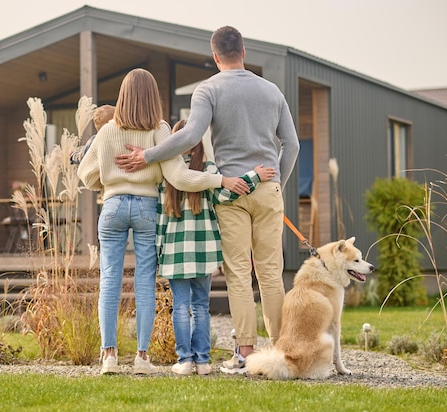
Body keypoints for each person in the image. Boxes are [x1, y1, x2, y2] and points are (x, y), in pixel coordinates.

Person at [115, 26, 300, 374]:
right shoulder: (272, 91)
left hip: (230, 192)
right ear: (244, 52)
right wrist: (277, 186)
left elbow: (189, 135)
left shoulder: (209, 89)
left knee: (239, 273)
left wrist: (149, 155)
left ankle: (245, 352)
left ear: (216, 56)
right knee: (272, 274)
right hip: (268, 187)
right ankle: (282, 350)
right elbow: (292, 145)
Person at [77, 68, 250, 375]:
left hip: (113, 206)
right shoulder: (159, 130)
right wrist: (220, 179)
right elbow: (180, 177)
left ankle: (109, 356)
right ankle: (142, 358)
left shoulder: (106, 132)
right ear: (153, 97)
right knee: (144, 283)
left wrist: (108, 180)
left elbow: (86, 175)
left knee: (109, 280)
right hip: (146, 208)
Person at [159, 120, 274, 376]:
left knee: (180, 307)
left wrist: (160, 252)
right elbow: (226, 194)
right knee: (200, 306)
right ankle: (202, 362)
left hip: (175, 253)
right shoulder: (209, 169)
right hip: (205, 252)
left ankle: (185, 361)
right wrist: (254, 176)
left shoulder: (167, 171)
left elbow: (160, 217)